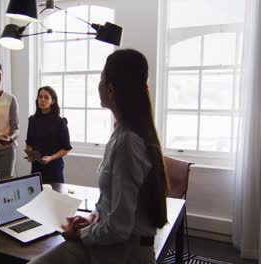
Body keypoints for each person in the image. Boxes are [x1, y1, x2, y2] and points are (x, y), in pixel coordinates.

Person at [29, 49, 169, 264]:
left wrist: (81, 234)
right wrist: (92, 217)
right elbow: (112, 202)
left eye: (101, 78)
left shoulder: (128, 142)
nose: (99, 84)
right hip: (113, 243)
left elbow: (120, 228)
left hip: (124, 252)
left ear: (111, 89)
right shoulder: (124, 132)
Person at [25, 86, 72, 183]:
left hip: (53, 168)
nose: (42, 100)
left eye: (46, 97)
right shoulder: (32, 120)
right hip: (36, 167)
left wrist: (51, 157)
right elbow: (29, 143)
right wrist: (30, 155)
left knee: (54, 196)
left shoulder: (60, 122)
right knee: (36, 197)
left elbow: (66, 149)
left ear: (52, 101)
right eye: (40, 97)